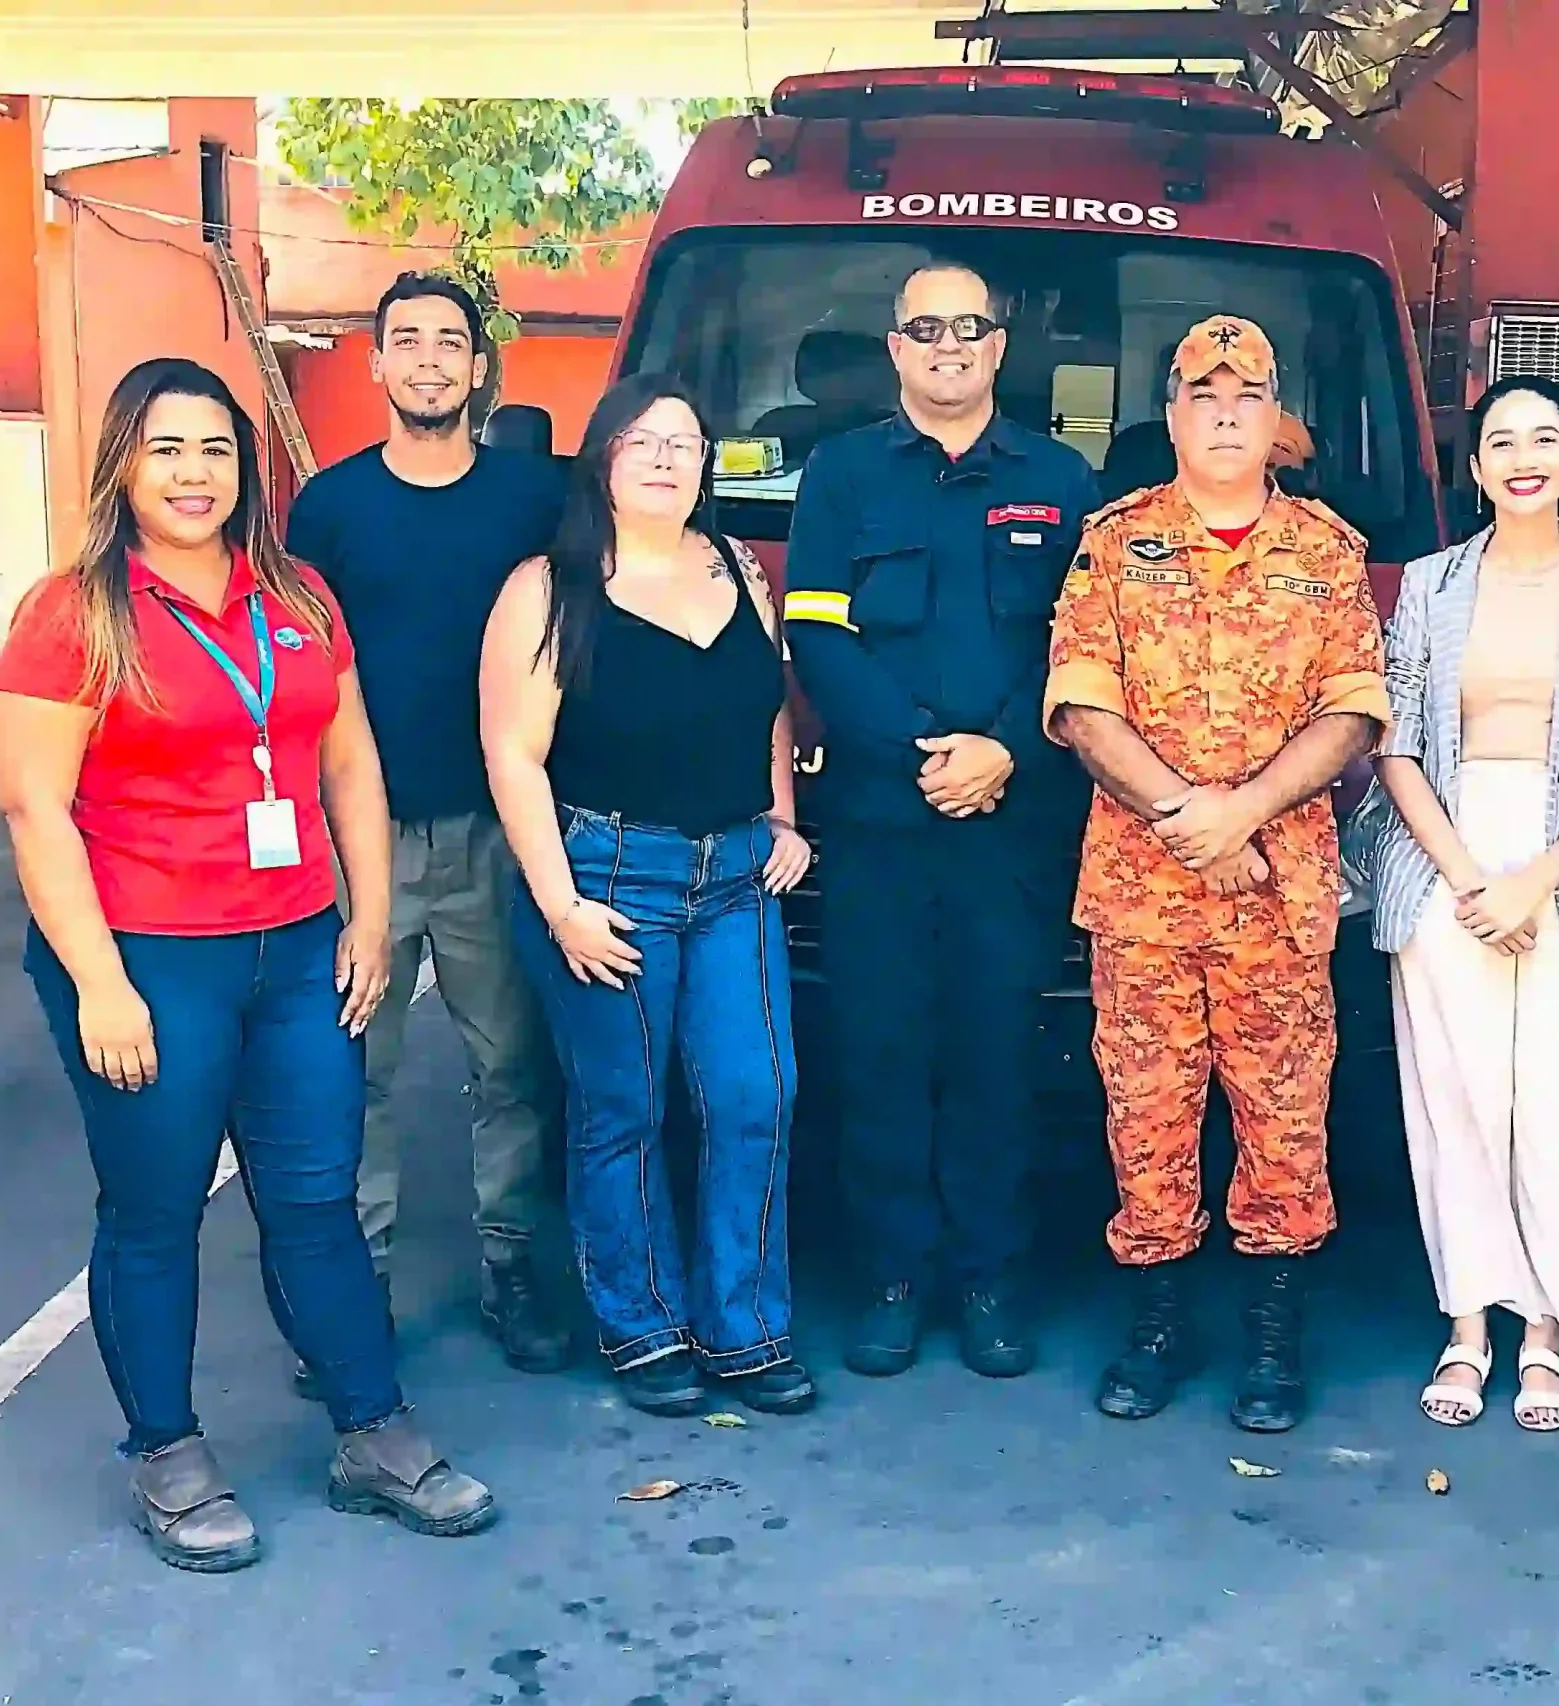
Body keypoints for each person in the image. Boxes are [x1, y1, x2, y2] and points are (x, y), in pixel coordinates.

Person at [0, 358, 495, 1571]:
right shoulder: (77, 611)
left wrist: (369, 920)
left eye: (216, 448)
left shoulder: (298, 595)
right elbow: (32, 805)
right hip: (149, 957)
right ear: (123, 462)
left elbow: (350, 763)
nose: (194, 473)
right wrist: (100, 982)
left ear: (245, 467)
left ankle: (372, 1431)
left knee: (316, 1196)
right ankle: (166, 1451)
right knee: (156, 1206)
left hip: (298, 948)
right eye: (166, 448)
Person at [1046, 315, 1389, 1434]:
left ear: (1277, 417)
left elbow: (1353, 708)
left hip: (1277, 893)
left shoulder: (1327, 552)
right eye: (1204, 395)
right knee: (1146, 1110)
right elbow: (1082, 703)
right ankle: (1157, 1322)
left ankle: (1273, 1331)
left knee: (1284, 1112)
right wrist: (1188, 817)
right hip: (1144, 893)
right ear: (1173, 415)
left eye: (1248, 398)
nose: (1227, 416)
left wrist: (1242, 812)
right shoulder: (1115, 541)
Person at [783, 262, 1101, 1380]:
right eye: (926, 328)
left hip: (1013, 826)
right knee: (880, 1053)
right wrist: (922, 748)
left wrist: (1006, 747)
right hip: (880, 822)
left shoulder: (1061, 478)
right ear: (897, 348)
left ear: (1000, 345)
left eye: (969, 325)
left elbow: (1084, 643)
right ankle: (890, 1279)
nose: (949, 345)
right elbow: (816, 632)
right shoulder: (843, 473)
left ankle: (989, 1280)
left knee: (996, 1059)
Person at [480, 374, 816, 1418]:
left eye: (686, 441)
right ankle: (640, 1324)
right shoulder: (548, 586)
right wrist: (560, 905)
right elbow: (513, 752)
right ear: (603, 459)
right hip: (608, 879)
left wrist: (782, 816)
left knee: (756, 1095)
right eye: (644, 440)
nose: (668, 457)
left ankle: (746, 1327)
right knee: (623, 1108)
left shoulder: (736, 568)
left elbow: (765, 704)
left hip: (736, 879)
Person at [283, 272, 572, 1382]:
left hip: (500, 831)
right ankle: (353, 1291)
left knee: (512, 1069)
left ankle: (511, 1267)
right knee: (350, 1074)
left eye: (451, 343)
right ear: (376, 364)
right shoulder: (331, 509)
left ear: (479, 366)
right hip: (363, 841)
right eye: (407, 341)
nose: (430, 361)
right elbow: (300, 671)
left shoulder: (534, 499)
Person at [1365, 377, 1559, 1432]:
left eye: (1545, 439)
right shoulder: (1431, 583)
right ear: (1476, 465)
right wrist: (1467, 876)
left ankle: (1545, 1327)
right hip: (1444, 852)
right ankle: (1467, 1323)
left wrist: (1535, 877)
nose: (1524, 458)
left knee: (1554, 1096)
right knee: (1458, 1099)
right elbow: (1396, 738)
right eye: (1502, 441)